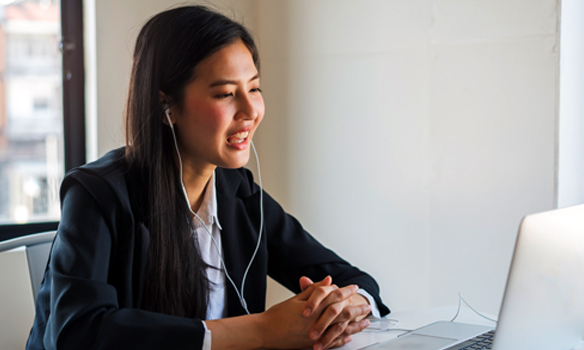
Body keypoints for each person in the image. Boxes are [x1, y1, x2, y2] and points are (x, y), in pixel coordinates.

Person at [26, 5, 389, 350]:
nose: (250, 112)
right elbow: (77, 333)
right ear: (166, 106)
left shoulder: (238, 192)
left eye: (254, 88)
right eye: (227, 94)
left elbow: (353, 279)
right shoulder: (97, 195)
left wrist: (349, 303)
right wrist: (263, 330)